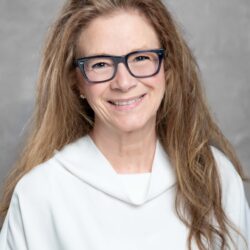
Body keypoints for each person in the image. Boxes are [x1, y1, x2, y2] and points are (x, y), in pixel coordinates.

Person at [0, 0, 249, 249]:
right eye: (100, 64)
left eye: (141, 57)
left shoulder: (217, 178)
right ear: (76, 81)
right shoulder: (39, 194)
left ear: (168, 67)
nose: (124, 82)